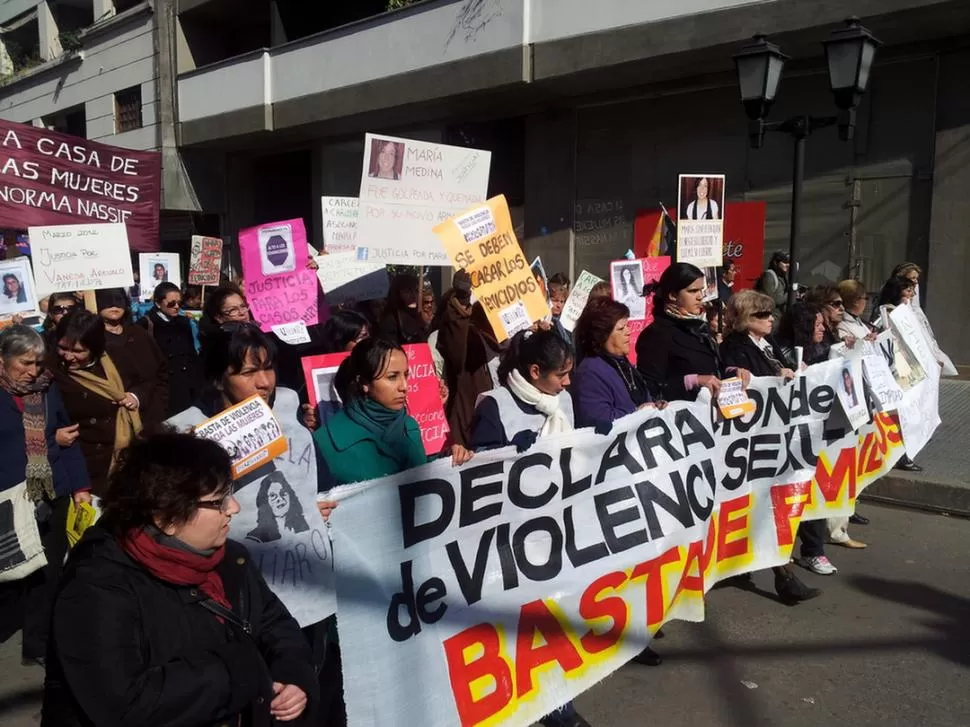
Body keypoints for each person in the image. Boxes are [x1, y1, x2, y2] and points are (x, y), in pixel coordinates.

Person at [41, 433, 318, 727]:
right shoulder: (95, 587)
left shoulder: (227, 557)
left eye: (230, 492)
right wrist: (242, 672)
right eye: (218, 501)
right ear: (167, 519)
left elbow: (273, 621)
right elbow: (125, 706)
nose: (234, 508)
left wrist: (293, 672)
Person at [469, 329, 590, 727]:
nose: (568, 382)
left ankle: (559, 703)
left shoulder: (564, 401)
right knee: (522, 626)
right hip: (512, 539)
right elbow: (478, 480)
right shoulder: (493, 406)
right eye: (561, 374)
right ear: (535, 371)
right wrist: (507, 456)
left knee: (556, 617)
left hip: (556, 529)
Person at [570, 297, 664, 666]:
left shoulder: (621, 362)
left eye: (628, 326)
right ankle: (627, 636)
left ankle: (638, 623)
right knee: (622, 562)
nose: (629, 333)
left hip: (634, 470)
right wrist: (637, 415)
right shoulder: (591, 371)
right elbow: (596, 422)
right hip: (610, 477)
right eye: (621, 328)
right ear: (600, 335)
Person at [719, 294, 831, 600]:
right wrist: (766, 377)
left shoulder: (766, 345)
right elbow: (739, 382)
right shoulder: (735, 347)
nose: (771, 318)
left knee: (766, 506)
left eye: (771, 313)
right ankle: (784, 576)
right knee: (763, 506)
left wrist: (793, 372)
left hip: (774, 438)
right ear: (746, 318)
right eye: (763, 314)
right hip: (753, 441)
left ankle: (768, 568)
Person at [0, 325, 90, 667]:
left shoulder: (48, 388)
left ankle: (38, 643)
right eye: (25, 363)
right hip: (9, 497)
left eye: (38, 362)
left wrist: (80, 487)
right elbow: (56, 440)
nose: (33, 371)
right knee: (13, 572)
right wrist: (54, 443)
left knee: (50, 571)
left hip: (52, 491)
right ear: (3, 359)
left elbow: (69, 436)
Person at [774, 301, 842, 576]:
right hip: (785, 437)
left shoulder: (823, 349)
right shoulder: (783, 351)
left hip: (811, 436)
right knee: (787, 495)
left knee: (813, 493)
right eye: (817, 324)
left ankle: (814, 551)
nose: (823, 328)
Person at [49, 310, 144, 496]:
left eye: (78, 351)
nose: (68, 356)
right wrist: (53, 436)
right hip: (83, 465)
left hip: (124, 457)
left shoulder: (117, 356)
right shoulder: (49, 370)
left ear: (95, 348)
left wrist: (134, 396)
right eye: (63, 348)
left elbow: (145, 381)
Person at [636, 262, 748, 402]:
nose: (700, 297)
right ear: (672, 295)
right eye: (692, 291)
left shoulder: (700, 327)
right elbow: (649, 389)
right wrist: (692, 381)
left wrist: (732, 372)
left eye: (701, 290)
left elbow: (713, 367)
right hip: (683, 419)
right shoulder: (656, 335)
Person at [436, 271, 502, 446]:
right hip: (469, 434)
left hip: (504, 431)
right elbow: (453, 342)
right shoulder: (468, 340)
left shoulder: (514, 343)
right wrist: (462, 300)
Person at [97, 288, 169, 424]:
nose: (113, 305)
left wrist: (159, 403)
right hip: (111, 419)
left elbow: (160, 371)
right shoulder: (91, 338)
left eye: (118, 299)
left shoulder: (139, 334)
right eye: (106, 300)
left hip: (149, 414)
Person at [139, 282, 206, 416]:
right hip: (165, 392)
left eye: (179, 303)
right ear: (158, 303)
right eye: (171, 303)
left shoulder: (184, 322)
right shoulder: (144, 325)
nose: (176, 307)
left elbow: (191, 356)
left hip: (188, 389)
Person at [379, 273, 427, 346]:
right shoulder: (391, 319)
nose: (413, 295)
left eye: (416, 290)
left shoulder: (420, 316)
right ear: (397, 294)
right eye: (407, 291)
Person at [756, 251, 791, 321]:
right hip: (772, 318)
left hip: (780, 317)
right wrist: (790, 294)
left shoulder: (782, 276)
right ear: (776, 262)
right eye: (784, 262)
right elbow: (770, 300)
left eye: (788, 262)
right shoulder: (769, 276)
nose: (788, 265)